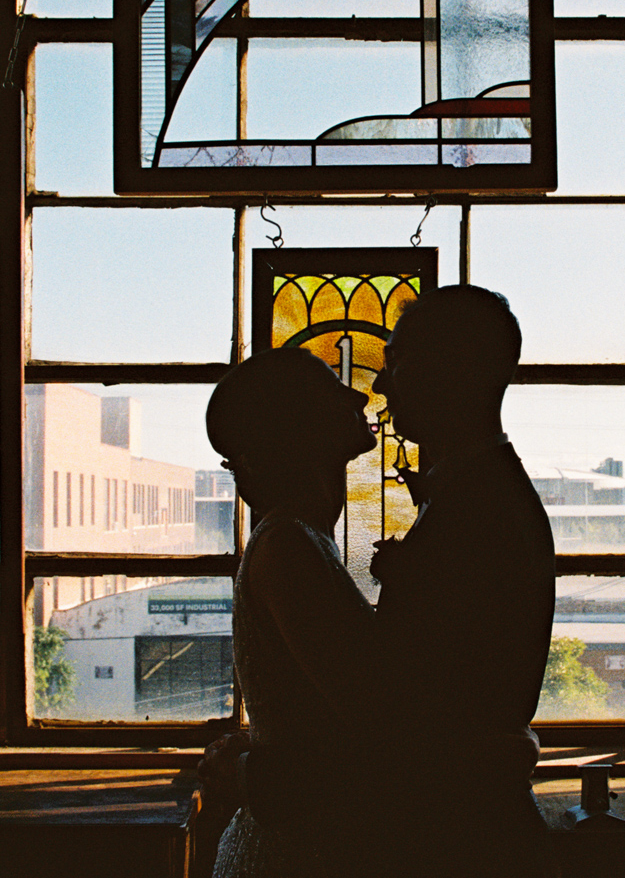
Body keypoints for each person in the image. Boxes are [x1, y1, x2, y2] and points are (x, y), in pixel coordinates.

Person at [367, 284, 556, 878]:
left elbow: (426, 700)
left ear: (458, 372)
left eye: (398, 363)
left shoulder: (481, 507)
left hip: (460, 837)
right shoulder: (476, 490)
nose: (381, 384)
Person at [202, 346, 386, 878]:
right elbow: (373, 722)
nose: (359, 395)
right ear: (299, 427)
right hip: (294, 854)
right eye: (335, 390)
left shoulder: (303, 538)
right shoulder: (289, 547)